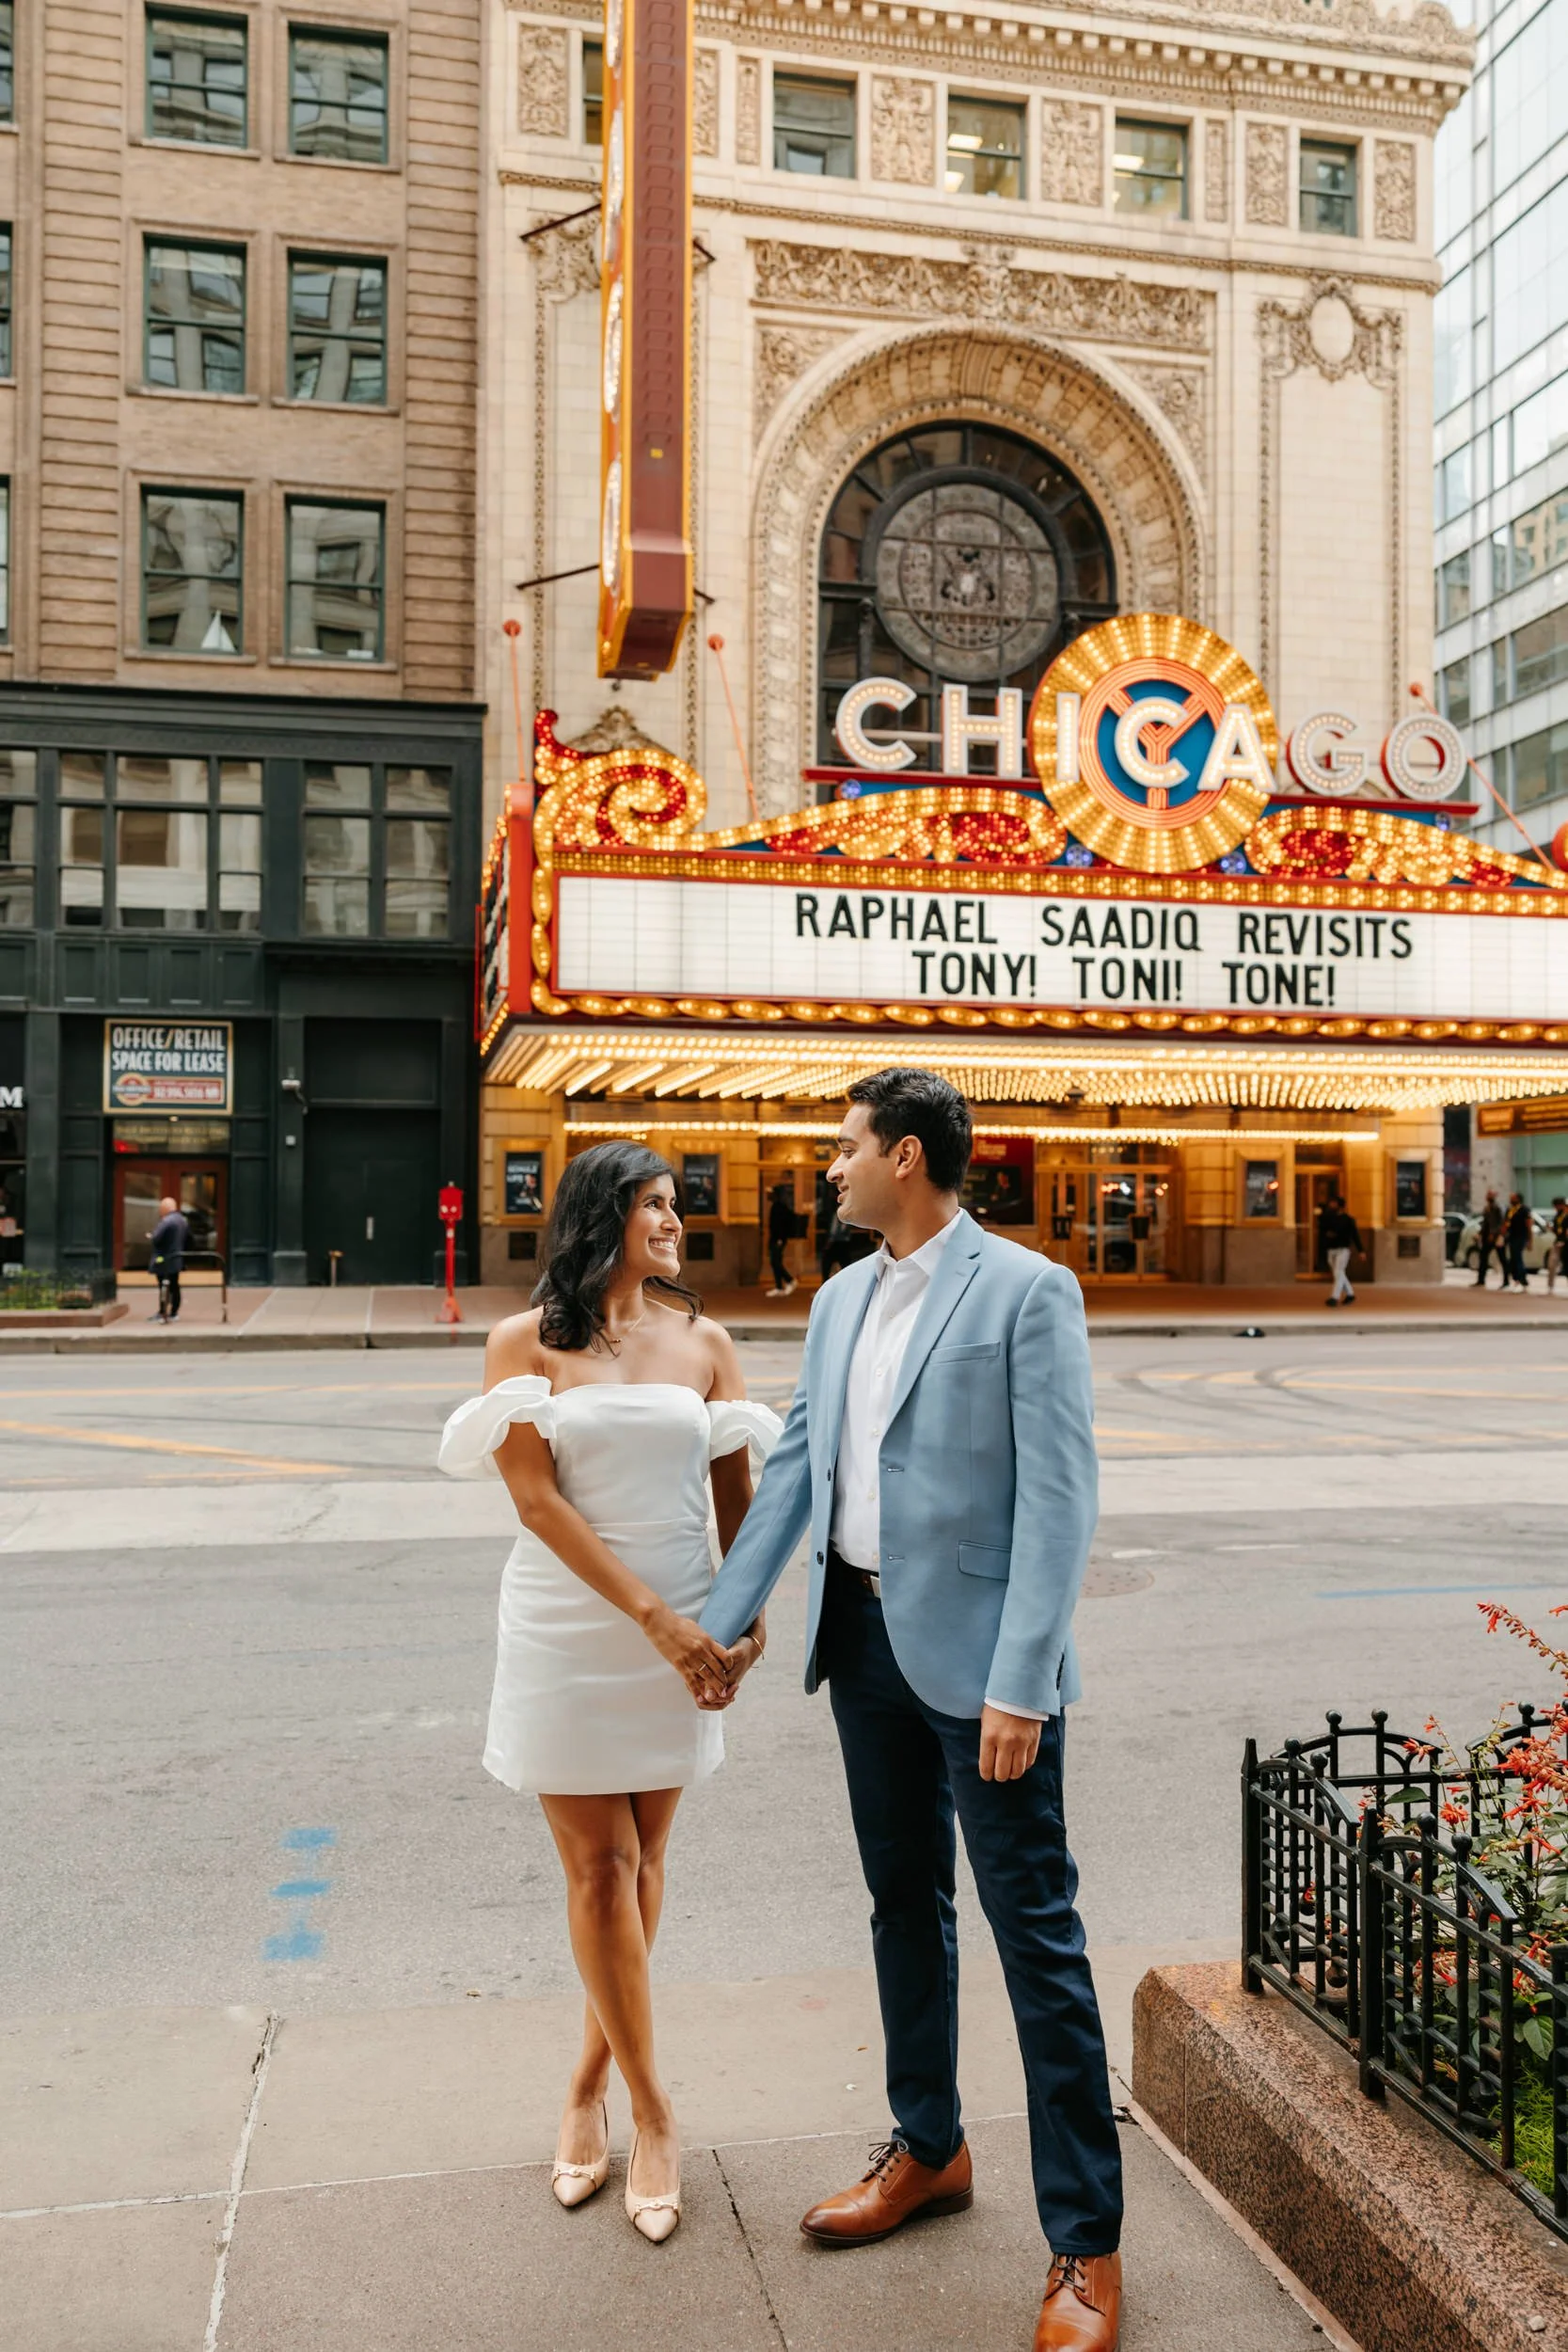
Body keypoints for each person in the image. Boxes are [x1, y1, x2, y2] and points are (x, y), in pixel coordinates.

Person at [701, 1069, 1122, 2352]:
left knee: (1032, 1940)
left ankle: (1085, 2247)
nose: (828, 1169)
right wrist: (718, 1626)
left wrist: (1020, 1679)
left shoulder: (1025, 1290)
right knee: (901, 1904)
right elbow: (794, 1469)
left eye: (844, 1149)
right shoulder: (835, 1300)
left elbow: (1058, 1502)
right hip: (861, 1647)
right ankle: (928, 2149)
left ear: (905, 1157)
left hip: (981, 1670)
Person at [437, 1142, 779, 2243]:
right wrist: (656, 1620)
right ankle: (653, 2109)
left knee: (646, 1863)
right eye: (652, 1206)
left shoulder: (705, 1341)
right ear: (602, 1217)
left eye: (675, 1205)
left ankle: (584, 2081)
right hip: (577, 1625)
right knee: (602, 1864)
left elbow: (736, 1492)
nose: (673, 1222)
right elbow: (536, 1504)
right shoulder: (521, 1342)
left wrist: (742, 1610)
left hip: (686, 1625)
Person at [148, 1195, 190, 1324]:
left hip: (164, 1259)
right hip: (176, 1259)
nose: (160, 1211)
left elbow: (157, 1238)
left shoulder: (166, 1222)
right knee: (175, 1286)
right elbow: (189, 1240)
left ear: (165, 1208)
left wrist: (151, 1236)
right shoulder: (182, 1221)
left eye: (161, 1208)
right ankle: (174, 1311)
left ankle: (163, 1311)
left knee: (164, 1287)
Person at [1321, 1196, 1361, 1309]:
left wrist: (1361, 1250)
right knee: (1338, 1273)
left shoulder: (1348, 1219)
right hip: (1331, 1249)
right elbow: (1323, 1231)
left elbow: (1355, 1235)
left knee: (1338, 1272)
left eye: (1334, 1203)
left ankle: (1334, 1297)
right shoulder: (1328, 1218)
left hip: (1343, 1249)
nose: (1331, 1205)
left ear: (1340, 1206)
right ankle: (1350, 1294)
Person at [767, 1180, 798, 1297]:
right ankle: (779, 1286)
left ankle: (790, 1280)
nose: (768, 1195)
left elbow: (780, 1225)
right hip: (775, 1238)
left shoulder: (779, 1207)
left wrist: (780, 1238)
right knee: (775, 1262)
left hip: (778, 1239)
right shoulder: (776, 1206)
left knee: (776, 1262)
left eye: (770, 1193)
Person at [1473, 1188, 1506, 1288]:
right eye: (1488, 1195)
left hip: (1496, 1237)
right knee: (1483, 1257)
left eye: (1490, 1195)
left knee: (1502, 1259)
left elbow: (1501, 1223)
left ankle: (1506, 1281)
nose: (1488, 1197)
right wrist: (1480, 1233)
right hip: (1487, 1237)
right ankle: (1481, 1280)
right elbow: (1485, 1223)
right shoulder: (1487, 1208)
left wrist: (1494, 1234)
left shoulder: (1498, 1208)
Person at [1504, 1190, 1533, 1290]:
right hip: (1511, 1237)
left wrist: (1530, 1240)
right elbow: (1506, 1224)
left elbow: (1529, 1225)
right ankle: (1516, 1279)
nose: (1511, 1200)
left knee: (1518, 1257)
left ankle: (1522, 1279)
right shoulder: (1510, 1210)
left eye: (1513, 1198)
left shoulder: (1524, 1210)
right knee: (1513, 1258)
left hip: (1521, 1237)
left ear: (1518, 1199)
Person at [1548, 1197, 1568, 1295]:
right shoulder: (1557, 1216)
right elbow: (1558, 1231)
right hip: (1557, 1242)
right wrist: (1551, 1228)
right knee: (1551, 1264)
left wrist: (1565, 1241)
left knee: (1567, 1265)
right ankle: (1550, 1287)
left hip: (1566, 1244)